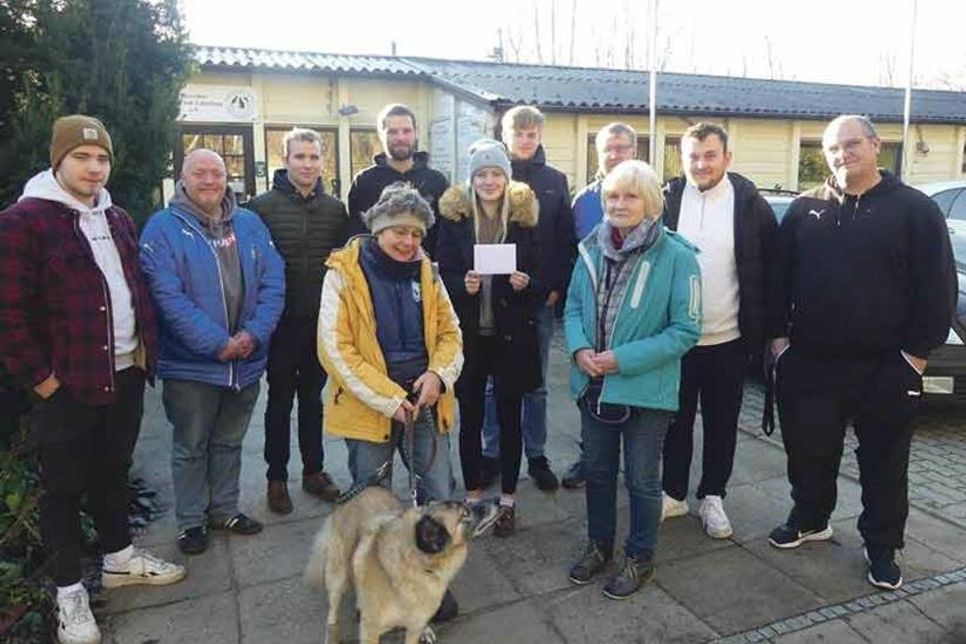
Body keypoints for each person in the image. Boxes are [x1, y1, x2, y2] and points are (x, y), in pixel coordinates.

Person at [0, 115, 185, 644]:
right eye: (82, 158)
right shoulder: (24, 221)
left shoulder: (119, 218)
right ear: (58, 161)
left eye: (101, 158)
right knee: (62, 490)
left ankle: (119, 559)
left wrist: (146, 354)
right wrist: (42, 380)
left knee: (112, 472)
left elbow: (131, 289)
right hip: (68, 384)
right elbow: (9, 313)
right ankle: (69, 595)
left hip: (125, 372)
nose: (94, 167)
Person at [766, 115, 955, 591]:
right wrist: (779, 343)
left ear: (875, 146)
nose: (841, 154)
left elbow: (937, 288)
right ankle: (811, 517)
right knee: (808, 452)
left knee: (884, 464)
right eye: (832, 148)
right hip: (811, 362)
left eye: (852, 144)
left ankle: (882, 547)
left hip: (885, 366)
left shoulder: (914, 210)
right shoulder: (806, 207)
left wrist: (915, 357)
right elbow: (776, 279)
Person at [317, 182, 463, 620]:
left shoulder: (428, 272)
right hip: (371, 408)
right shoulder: (342, 272)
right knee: (372, 503)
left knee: (437, 495)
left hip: (426, 401)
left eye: (417, 234)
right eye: (399, 231)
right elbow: (335, 349)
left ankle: (428, 581)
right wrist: (388, 399)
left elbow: (451, 334)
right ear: (379, 229)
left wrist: (437, 375)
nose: (408, 241)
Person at [565, 159, 701, 600]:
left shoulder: (678, 256)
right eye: (611, 196)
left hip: (646, 391)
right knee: (600, 474)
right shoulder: (589, 247)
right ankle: (599, 546)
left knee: (642, 480)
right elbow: (570, 309)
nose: (619, 204)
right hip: (594, 385)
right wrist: (579, 350)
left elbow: (685, 330)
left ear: (652, 203)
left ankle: (640, 557)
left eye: (630, 195)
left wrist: (620, 360)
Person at [140, 149, 285, 556]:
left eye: (216, 173)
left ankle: (224, 510)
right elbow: (166, 296)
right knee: (191, 445)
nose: (209, 181)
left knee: (229, 442)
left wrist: (252, 336)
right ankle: (190, 522)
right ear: (182, 179)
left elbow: (274, 282)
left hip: (247, 362)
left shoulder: (251, 224)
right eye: (199, 173)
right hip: (192, 365)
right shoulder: (162, 229)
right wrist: (217, 343)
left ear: (227, 178)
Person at [660, 122, 777, 538]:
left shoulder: (750, 205)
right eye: (693, 156)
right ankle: (672, 493)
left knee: (721, 423)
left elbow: (771, 272)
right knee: (674, 421)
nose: (701, 164)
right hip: (674, 342)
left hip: (729, 339)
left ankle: (713, 496)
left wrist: (767, 333)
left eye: (710, 155)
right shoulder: (666, 200)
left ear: (727, 158)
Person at [436, 139, 543, 536]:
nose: (489, 181)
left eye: (496, 173)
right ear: (472, 178)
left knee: (511, 418)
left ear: (506, 177)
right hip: (469, 335)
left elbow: (540, 276)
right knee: (471, 419)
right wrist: (459, 283)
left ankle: (510, 499)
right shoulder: (454, 217)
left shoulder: (524, 218)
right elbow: (440, 272)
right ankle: (474, 496)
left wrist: (525, 282)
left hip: (511, 336)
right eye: (481, 174)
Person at [246, 128, 349, 513]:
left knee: (313, 399)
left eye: (313, 157)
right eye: (299, 157)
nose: (307, 164)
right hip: (279, 323)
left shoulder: (335, 210)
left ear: (323, 161)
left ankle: (314, 471)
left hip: (319, 322)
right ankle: (276, 478)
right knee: (279, 401)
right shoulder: (261, 208)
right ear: (285, 160)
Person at [481, 105, 574, 492]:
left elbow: (563, 240)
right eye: (518, 133)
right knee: (491, 382)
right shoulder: (488, 178)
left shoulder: (554, 180)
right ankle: (492, 453)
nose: (524, 140)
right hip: (492, 299)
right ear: (505, 135)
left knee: (535, 384)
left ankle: (536, 455)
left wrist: (554, 287)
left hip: (536, 300)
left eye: (531, 134)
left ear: (538, 137)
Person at [562, 122, 639, 489]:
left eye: (622, 148)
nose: (615, 154)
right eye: (609, 148)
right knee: (589, 389)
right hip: (593, 315)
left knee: (635, 394)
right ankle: (589, 456)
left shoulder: (654, 197)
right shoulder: (584, 201)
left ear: (634, 151)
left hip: (636, 316)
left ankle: (638, 462)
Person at [347, 103, 449, 255]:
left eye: (406, 131)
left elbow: (445, 238)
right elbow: (357, 237)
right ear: (381, 135)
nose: (400, 138)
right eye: (392, 132)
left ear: (416, 133)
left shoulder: (436, 181)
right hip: (377, 274)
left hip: (425, 272)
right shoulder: (364, 182)